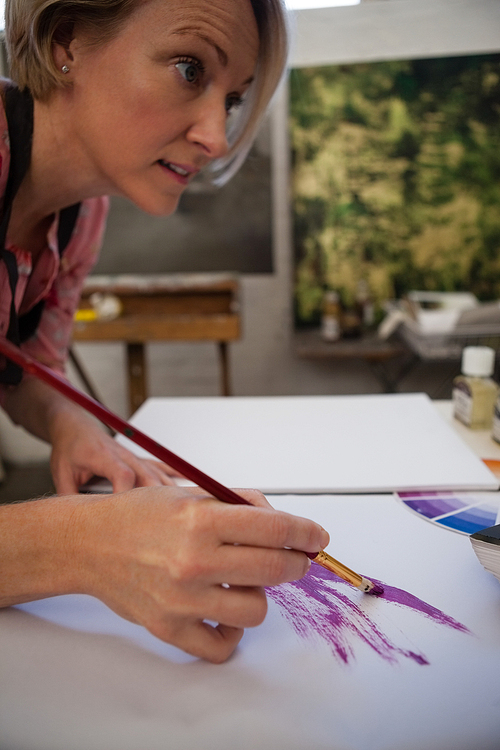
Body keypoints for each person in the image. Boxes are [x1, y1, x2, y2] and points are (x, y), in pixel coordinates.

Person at [0, 0, 330, 663]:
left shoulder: (83, 213)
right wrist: (85, 547)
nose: (217, 136)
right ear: (66, 39)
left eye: (232, 101)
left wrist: (72, 426)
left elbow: (24, 364)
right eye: (188, 68)